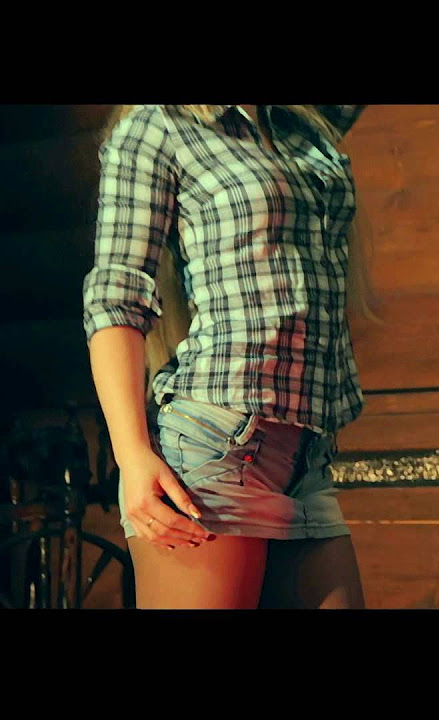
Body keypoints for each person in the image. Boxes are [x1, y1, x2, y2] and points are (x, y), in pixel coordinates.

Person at [83, 104, 368, 608]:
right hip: (215, 446)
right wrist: (132, 455)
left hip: (307, 458)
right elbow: (115, 298)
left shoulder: (298, 124)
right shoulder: (158, 125)